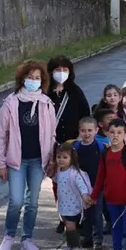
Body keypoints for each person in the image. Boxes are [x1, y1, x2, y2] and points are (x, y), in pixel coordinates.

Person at [0, 60, 56, 250]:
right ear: (22, 78)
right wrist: (0, 163)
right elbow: (0, 135)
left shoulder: (46, 104)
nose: (33, 81)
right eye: (30, 77)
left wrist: (51, 158)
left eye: (37, 78)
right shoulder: (10, 103)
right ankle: (9, 235)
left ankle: (27, 238)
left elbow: (52, 134)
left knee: (33, 202)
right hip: (16, 161)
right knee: (16, 201)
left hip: (38, 160)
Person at [47, 55, 91, 234]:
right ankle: (63, 217)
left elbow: (85, 113)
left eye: (65, 70)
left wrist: (82, 137)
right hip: (53, 144)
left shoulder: (75, 91)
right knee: (57, 182)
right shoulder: (45, 92)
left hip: (72, 143)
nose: (61, 73)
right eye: (58, 70)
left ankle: (77, 216)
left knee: (74, 180)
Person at [90, 118, 126, 250]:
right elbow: (100, 177)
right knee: (115, 227)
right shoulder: (106, 154)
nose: (115, 136)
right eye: (112, 132)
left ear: (125, 134)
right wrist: (94, 196)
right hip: (111, 199)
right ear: (107, 134)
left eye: (119, 132)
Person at [52, 142, 92, 250]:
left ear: (71, 158)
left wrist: (85, 195)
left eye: (65, 157)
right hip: (63, 204)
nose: (61, 160)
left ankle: (77, 246)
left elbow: (81, 185)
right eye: (59, 157)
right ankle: (70, 245)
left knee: (71, 226)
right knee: (67, 225)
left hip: (73, 205)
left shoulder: (74, 173)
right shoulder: (59, 171)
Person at [74, 116, 106, 250]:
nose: (86, 134)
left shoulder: (100, 146)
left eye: (89, 130)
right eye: (83, 131)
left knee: (97, 212)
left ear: (96, 130)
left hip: (97, 185)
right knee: (85, 212)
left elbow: (105, 166)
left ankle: (97, 239)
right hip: (82, 186)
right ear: (79, 131)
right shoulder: (76, 147)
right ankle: (87, 237)